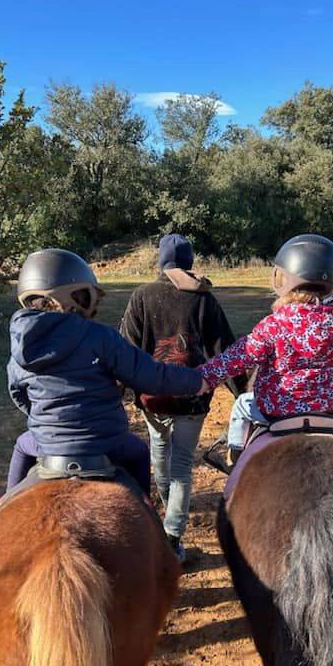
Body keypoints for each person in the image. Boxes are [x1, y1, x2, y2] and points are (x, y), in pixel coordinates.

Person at [6, 248, 203, 496]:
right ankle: (146, 512)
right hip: (106, 442)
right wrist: (197, 380)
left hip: (46, 443)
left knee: (22, 447)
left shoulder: (21, 344)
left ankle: (3, 504)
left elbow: (18, 394)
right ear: (74, 297)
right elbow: (151, 376)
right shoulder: (100, 336)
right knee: (140, 452)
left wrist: (46, 419)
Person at [120, 234, 246, 562]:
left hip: (153, 398)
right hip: (193, 396)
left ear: (160, 261)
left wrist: (118, 391)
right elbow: (226, 349)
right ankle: (172, 538)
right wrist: (242, 393)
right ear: (190, 262)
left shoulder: (141, 296)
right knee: (180, 466)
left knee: (161, 459)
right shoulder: (205, 300)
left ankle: (170, 533)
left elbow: (127, 347)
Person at [199, 234, 333, 465]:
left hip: (277, 407)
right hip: (330, 406)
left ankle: (236, 454)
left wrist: (205, 376)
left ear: (283, 278)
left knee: (242, 405)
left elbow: (239, 357)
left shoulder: (274, 325)